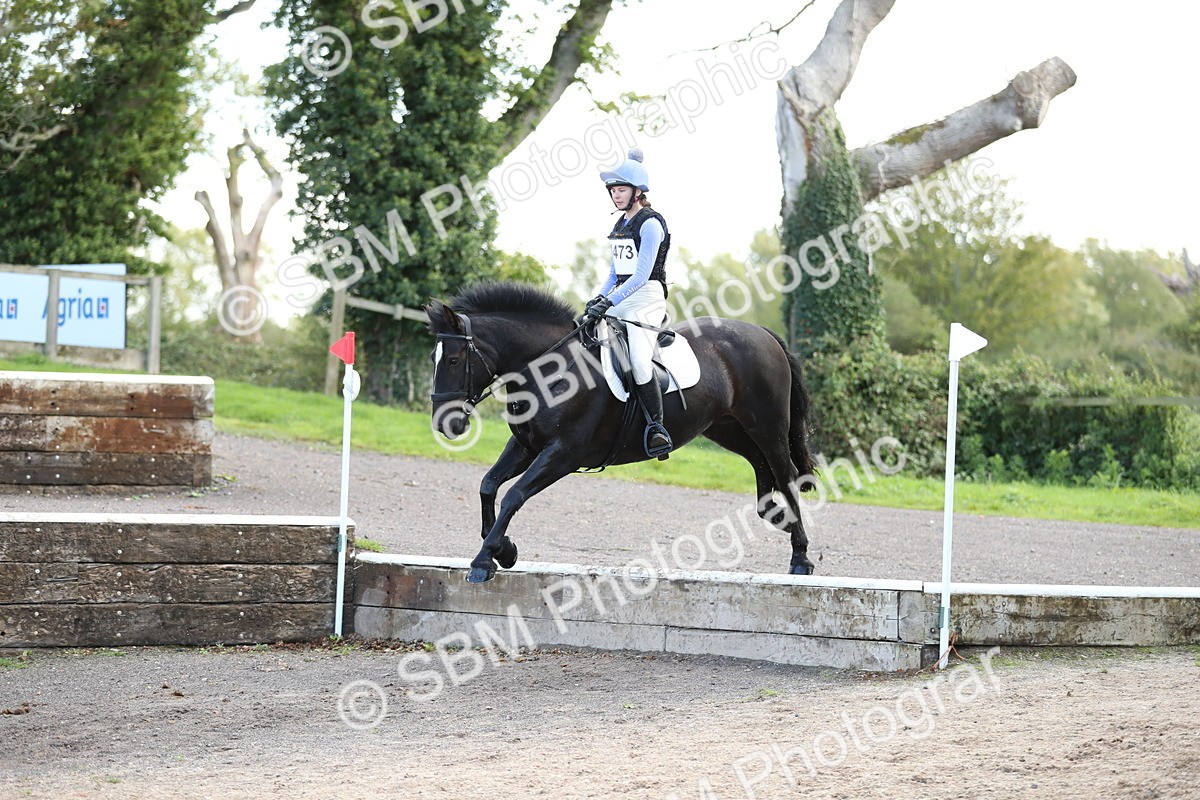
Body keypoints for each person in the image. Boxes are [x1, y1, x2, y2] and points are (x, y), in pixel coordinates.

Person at [584, 147, 673, 458]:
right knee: (582, 333)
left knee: (638, 359)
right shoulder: (620, 224)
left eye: (621, 189)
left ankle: (657, 429)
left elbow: (639, 276)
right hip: (622, 297)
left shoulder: (650, 223)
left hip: (646, 297)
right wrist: (598, 299)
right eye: (613, 190)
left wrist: (609, 301)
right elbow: (615, 273)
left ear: (637, 192)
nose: (616, 195)